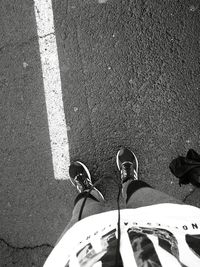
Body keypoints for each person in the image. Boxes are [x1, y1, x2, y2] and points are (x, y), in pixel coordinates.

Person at [44, 147, 200, 267]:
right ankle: (129, 181)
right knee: (141, 194)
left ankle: (88, 192)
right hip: (179, 235)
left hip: (83, 254)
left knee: (84, 212)